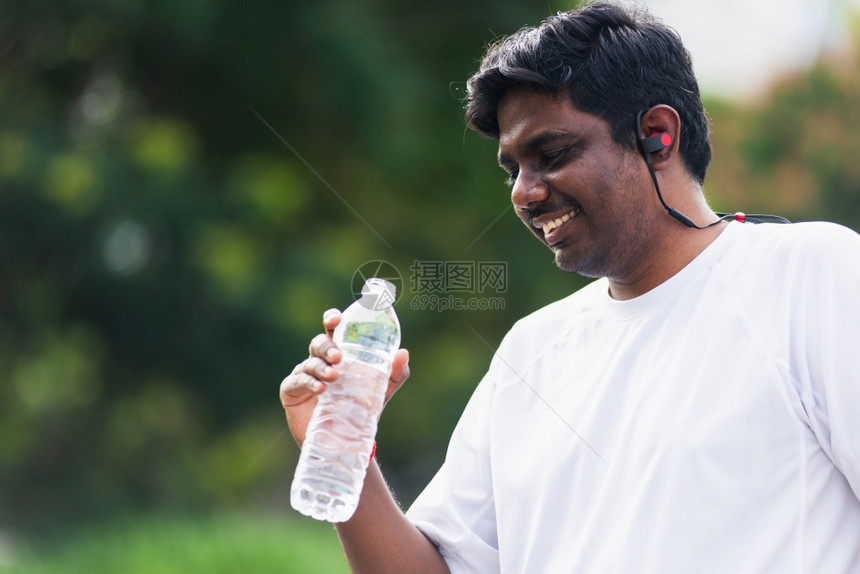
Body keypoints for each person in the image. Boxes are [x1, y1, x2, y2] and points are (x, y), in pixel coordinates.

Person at [280, 2, 860, 572]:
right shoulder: (532, 352)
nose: (524, 193)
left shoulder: (810, 276)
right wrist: (343, 450)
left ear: (656, 135)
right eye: (512, 170)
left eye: (551, 155)